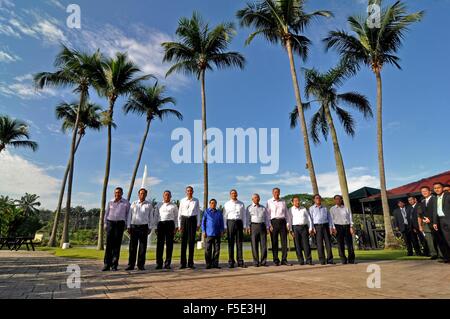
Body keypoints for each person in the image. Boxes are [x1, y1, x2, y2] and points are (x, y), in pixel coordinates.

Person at [103, 187, 130, 271]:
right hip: (110, 223)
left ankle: (114, 265)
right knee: (109, 245)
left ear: (122, 193)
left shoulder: (126, 203)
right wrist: (105, 223)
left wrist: (127, 225)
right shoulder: (110, 202)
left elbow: (128, 215)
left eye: (119, 192)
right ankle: (107, 264)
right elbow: (106, 213)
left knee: (117, 245)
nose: (117, 194)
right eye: (116, 192)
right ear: (114, 193)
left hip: (120, 224)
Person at [126, 188, 154, 271]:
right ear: (138, 194)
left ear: (146, 195)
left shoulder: (149, 205)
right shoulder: (134, 203)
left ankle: (141, 265)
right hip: (134, 227)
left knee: (142, 247)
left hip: (144, 227)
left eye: (144, 193)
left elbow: (151, 217)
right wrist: (128, 226)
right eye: (141, 193)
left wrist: (150, 227)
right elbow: (129, 216)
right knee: (132, 247)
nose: (142, 195)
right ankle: (131, 265)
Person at [266, 188, 292, 266]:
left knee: (284, 242)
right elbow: (267, 215)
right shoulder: (269, 202)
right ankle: (276, 260)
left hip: (283, 222)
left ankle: (284, 259)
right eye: (275, 192)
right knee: (274, 242)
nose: (277, 193)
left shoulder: (283, 201)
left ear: (279, 193)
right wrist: (269, 225)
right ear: (272, 193)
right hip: (273, 222)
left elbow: (287, 213)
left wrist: (288, 224)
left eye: (278, 192)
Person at [178, 186, 201, 269]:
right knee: (183, 242)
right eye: (188, 191)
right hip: (184, 220)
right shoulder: (182, 200)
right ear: (186, 192)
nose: (189, 192)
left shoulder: (196, 200)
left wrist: (198, 224)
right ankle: (182, 263)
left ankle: (190, 263)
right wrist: (179, 225)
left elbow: (198, 212)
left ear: (193, 192)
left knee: (191, 242)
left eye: (191, 191)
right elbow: (179, 213)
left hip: (192, 220)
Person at [155, 191, 179, 270]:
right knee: (160, 245)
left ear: (171, 196)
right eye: (165, 195)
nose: (167, 196)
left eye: (168, 195)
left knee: (169, 245)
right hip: (161, 224)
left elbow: (176, 217)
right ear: (163, 196)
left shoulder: (174, 205)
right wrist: (155, 227)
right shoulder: (158, 205)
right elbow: (156, 216)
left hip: (170, 224)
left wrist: (176, 227)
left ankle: (167, 263)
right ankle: (159, 263)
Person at [223, 189, 247, 268]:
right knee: (231, 243)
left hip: (239, 223)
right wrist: (225, 227)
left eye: (235, 193)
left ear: (237, 194)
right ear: (230, 195)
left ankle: (240, 261)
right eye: (232, 193)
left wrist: (244, 226)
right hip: (230, 223)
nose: (234, 194)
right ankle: (231, 261)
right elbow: (224, 216)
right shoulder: (227, 204)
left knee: (239, 242)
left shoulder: (241, 204)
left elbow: (244, 216)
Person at [309, 194, 336, 265]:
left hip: (326, 226)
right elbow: (310, 219)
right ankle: (322, 260)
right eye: (316, 198)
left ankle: (330, 259)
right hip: (317, 227)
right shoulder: (311, 208)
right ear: (314, 200)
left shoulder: (325, 208)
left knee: (328, 243)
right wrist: (312, 228)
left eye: (319, 198)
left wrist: (331, 227)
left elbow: (330, 218)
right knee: (319, 244)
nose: (318, 199)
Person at [287, 196, 314, 265]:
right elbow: (289, 220)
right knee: (297, 245)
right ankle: (300, 260)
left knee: (306, 244)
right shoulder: (290, 210)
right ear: (292, 202)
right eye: (295, 201)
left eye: (298, 200)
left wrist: (310, 228)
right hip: (295, 228)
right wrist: (290, 230)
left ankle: (309, 260)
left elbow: (309, 219)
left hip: (304, 228)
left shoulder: (304, 209)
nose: (297, 202)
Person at [246, 194, 270, 267]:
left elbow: (266, 218)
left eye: (258, 197)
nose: (257, 199)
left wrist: (267, 227)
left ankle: (263, 261)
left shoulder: (263, 208)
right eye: (255, 198)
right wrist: (248, 227)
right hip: (253, 226)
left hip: (262, 226)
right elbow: (247, 219)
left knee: (263, 245)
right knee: (254, 244)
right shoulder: (249, 208)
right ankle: (256, 262)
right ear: (252, 199)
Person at [330, 195, 355, 264]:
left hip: (346, 226)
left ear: (341, 200)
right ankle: (343, 259)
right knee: (340, 244)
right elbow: (331, 220)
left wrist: (351, 227)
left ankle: (351, 259)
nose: (338, 200)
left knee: (349, 244)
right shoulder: (332, 209)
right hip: (337, 227)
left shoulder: (346, 208)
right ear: (334, 200)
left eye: (339, 199)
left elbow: (350, 218)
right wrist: (333, 228)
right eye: (336, 199)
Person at [202, 199, 225, 269]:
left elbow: (221, 222)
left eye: (214, 203)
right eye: (212, 203)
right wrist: (203, 231)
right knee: (208, 250)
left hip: (217, 233)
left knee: (217, 250)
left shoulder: (219, 212)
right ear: (209, 204)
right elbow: (203, 222)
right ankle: (208, 264)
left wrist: (222, 231)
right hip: (208, 234)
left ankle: (215, 264)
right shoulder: (206, 212)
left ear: (216, 204)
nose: (213, 204)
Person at [419, 186, 439, 260]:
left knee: (437, 238)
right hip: (426, 223)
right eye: (422, 191)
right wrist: (424, 219)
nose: (424, 192)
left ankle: (441, 254)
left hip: (434, 222)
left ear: (430, 191)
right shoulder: (423, 201)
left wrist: (431, 219)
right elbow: (422, 213)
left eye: (425, 191)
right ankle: (433, 254)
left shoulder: (435, 199)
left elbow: (436, 211)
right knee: (429, 239)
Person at [433, 182, 450, 263]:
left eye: (438, 187)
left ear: (442, 188)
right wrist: (435, 222)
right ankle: (448, 258)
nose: (437, 189)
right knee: (445, 240)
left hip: (448, 220)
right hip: (440, 221)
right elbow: (435, 212)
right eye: (435, 188)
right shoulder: (435, 198)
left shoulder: (448, 196)